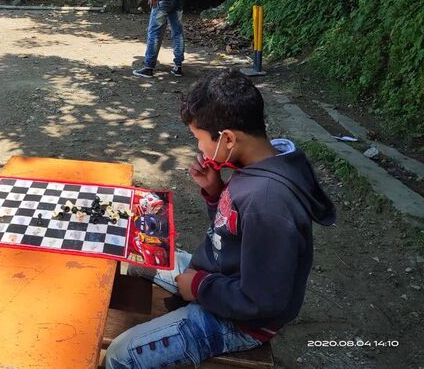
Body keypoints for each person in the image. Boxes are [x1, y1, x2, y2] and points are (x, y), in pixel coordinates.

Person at [106, 70, 336, 368]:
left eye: (199, 140)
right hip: (219, 274)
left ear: (227, 138)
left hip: (239, 320)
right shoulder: (265, 158)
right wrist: (215, 192)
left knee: (119, 356)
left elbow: (262, 301)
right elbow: (233, 227)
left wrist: (200, 287)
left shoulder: (268, 202)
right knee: (139, 255)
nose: (199, 149)